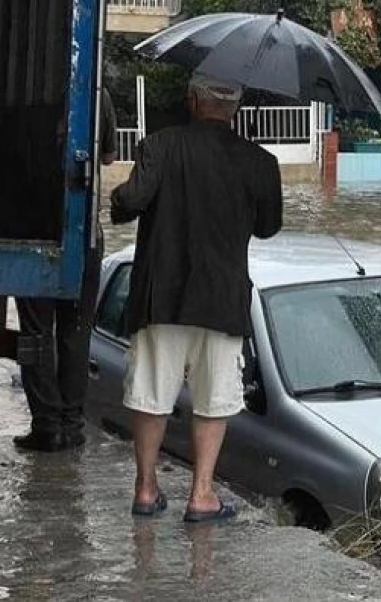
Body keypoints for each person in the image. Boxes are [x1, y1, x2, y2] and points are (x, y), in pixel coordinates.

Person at [110, 73, 282, 523]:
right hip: (221, 300)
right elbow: (268, 227)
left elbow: (131, 200)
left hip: (160, 296)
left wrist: (116, 197)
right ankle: (201, 495)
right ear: (236, 110)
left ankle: (146, 490)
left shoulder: (159, 145)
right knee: (215, 398)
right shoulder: (260, 161)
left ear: (191, 100)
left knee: (150, 393)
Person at [13, 86, 117, 452]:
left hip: (32, 231)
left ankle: (46, 425)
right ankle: (71, 423)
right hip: (83, 229)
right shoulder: (98, 93)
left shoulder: (26, 92)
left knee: (36, 334)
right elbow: (107, 157)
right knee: (75, 331)